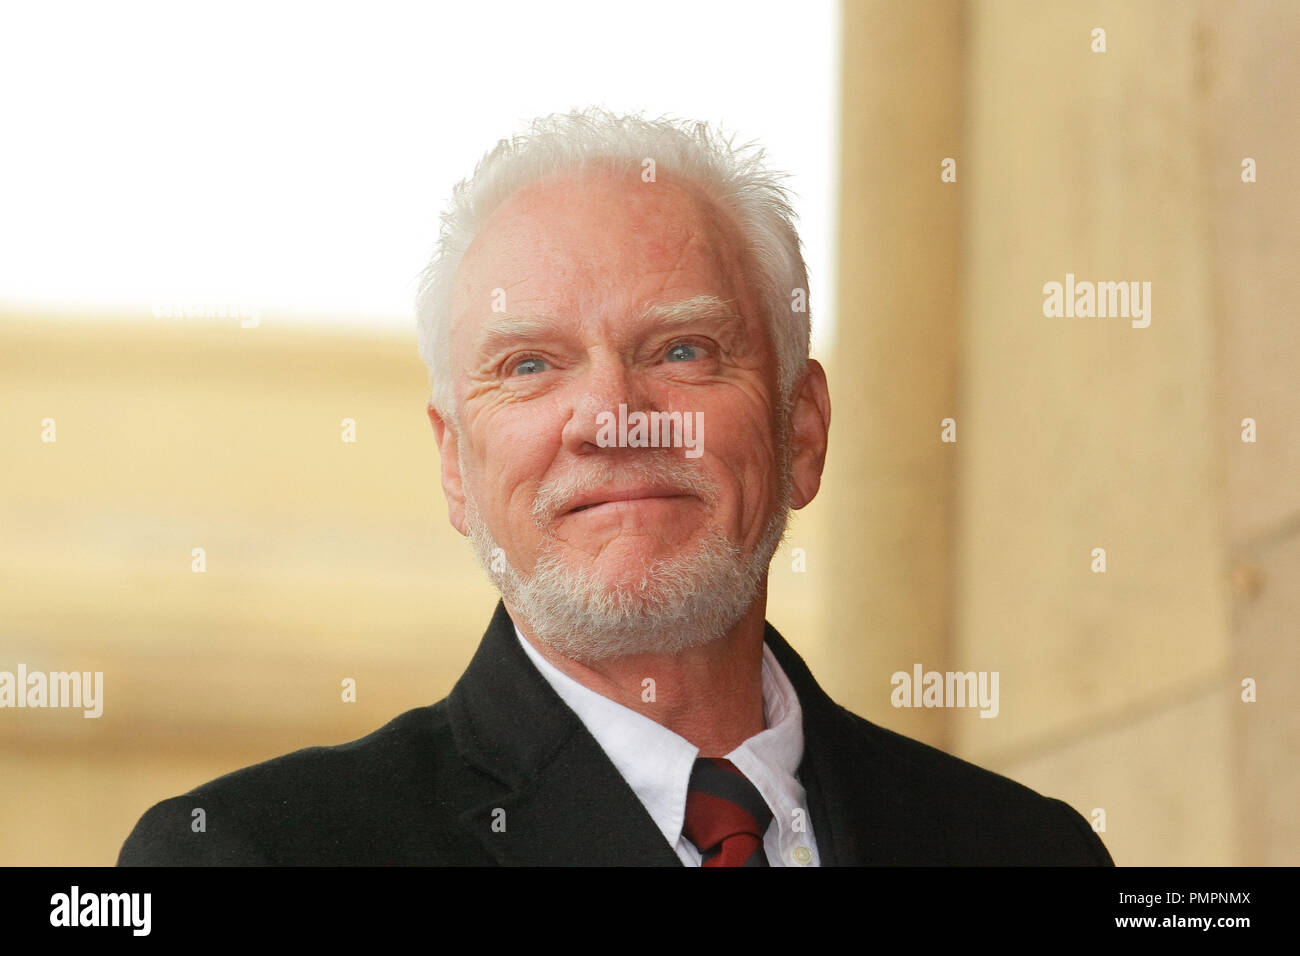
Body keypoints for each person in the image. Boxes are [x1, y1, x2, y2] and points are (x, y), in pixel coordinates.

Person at [118, 109, 1113, 866]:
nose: (612, 414)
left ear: (800, 429)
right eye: (528, 365)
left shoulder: (1025, 849)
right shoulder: (252, 857)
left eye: (681, 348)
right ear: (454, 465)